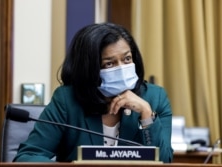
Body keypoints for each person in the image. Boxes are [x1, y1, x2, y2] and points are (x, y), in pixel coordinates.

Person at [13, 22, 173, 163]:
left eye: (127, 59)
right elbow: (28, 156)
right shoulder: (67, 100)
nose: (121, 68)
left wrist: (146, 115)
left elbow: (164, 161)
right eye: (109, 64)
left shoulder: (154, 98)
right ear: (89, 69)